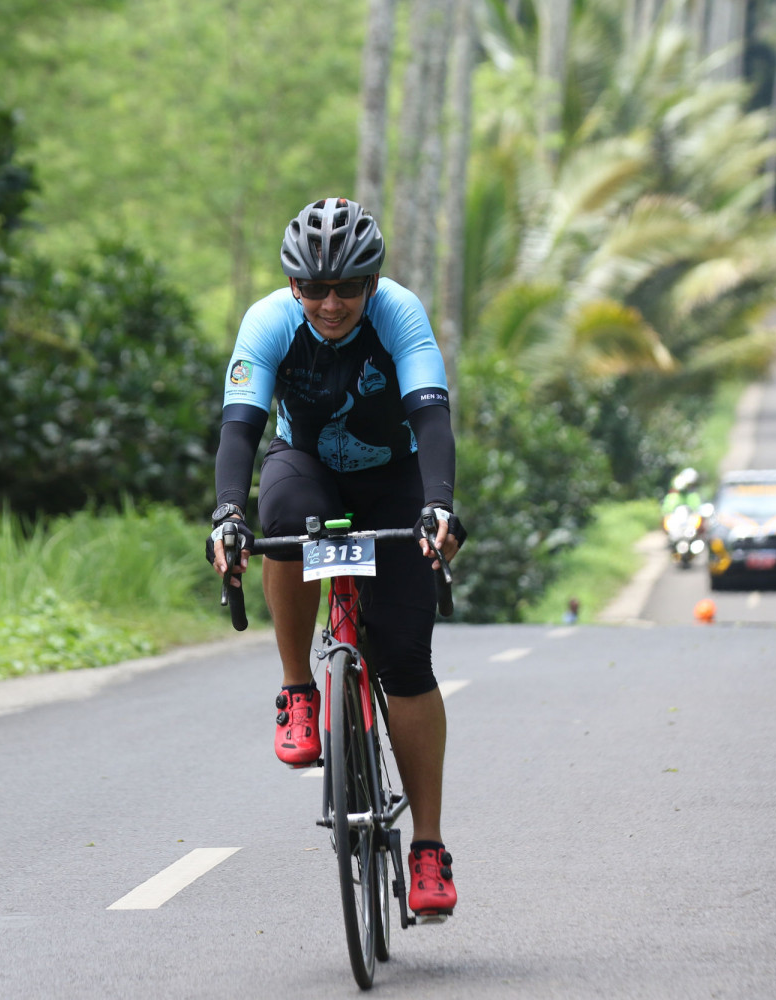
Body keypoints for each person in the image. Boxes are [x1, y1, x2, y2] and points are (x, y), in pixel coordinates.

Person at [207, 197, 465, 921]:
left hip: (394, 480)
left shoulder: (399, 314)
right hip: (307, 466)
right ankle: (299, 689)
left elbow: (431, 419)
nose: (330, 303)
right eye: (313, 287)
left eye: (347, 287)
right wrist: (227, 515)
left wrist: (438, 507)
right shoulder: (268, 322)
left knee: (405, 661)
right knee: (282, 519)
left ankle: (428, 849)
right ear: (293, 285)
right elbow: (240, 429)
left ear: (371, 283)